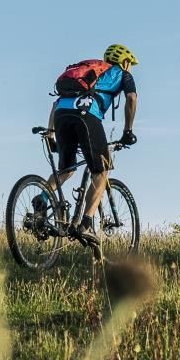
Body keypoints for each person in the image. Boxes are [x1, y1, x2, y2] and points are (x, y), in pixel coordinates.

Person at [43, 43, 140, 241]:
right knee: (101, 171)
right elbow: (131, 98)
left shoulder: (88, 74)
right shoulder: (122, 74)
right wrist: (128, 131)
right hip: (86, 115)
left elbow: (56, 103)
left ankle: (42, 198)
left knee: (67, 170)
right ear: (125, 62)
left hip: (61, 115)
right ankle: (86, 223)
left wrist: (51, 134)